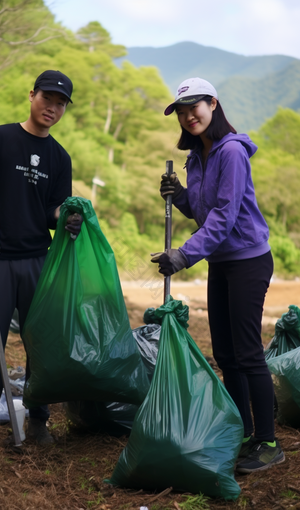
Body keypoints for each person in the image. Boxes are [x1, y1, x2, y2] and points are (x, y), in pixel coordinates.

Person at [151, 77, 284, 473]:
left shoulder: (231, 152)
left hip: (247, 259)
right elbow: (203, 209)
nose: (189, 115)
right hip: (220, 262)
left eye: (196, 106)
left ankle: (268, 442)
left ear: (213, 103)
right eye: (182, 110)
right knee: (225, 354)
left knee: (247, 353)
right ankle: (242, 432)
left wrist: (183, 255)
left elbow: (225, 216)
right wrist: (180, 194)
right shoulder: (197, 156)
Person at [0, 70, 83, 444]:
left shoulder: (59, 157)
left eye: (61, 103)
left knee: (40, 344)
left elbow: (52, 210)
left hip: (37, 260)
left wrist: (66, 218)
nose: (53, 107)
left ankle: (39, 421)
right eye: (47, 98)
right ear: (32, 95)